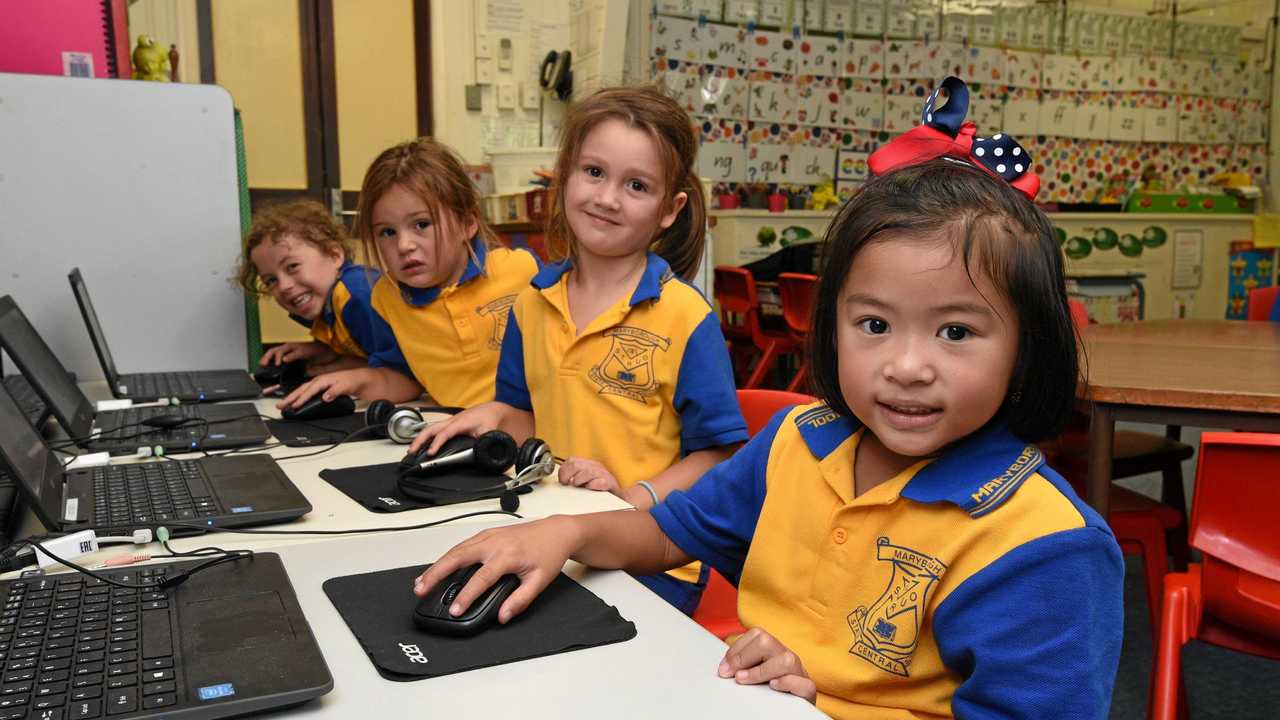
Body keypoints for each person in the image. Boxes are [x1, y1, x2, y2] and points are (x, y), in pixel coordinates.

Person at [410, 78, 1124, 718]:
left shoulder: (1044, 547)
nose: (907, 366)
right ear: (831, 325)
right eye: (874, 325)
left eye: (957, 332)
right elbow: (669, 533)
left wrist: (816, 700)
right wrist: (565, 533)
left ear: (1028, 344)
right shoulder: (800, 440)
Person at [411, 86, 748, 613]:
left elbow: (720, 455)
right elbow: (525, 414)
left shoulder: (686, 317)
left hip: (649, 554)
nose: (608, 198)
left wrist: (634, 496)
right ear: (563, 176)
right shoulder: (531, 303)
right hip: (549, 529)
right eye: (593, 172)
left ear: (669, 209)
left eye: (636, 185)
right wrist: (486, 419)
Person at [280, 137, 539, 411]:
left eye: (422, 224)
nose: (404, 245)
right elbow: (404, 379)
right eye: (387, 232)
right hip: (456, 432)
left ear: (467, 223)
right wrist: (352, 381)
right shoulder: (386, 298)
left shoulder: (522, 270)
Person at [237, 200, 414, 397]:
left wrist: (345, 370)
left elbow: (408, 376)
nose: (284, 286)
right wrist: (323, 350)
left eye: (292, 266)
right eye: (271, 280)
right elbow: (368, 349)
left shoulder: (357, 295)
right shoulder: (325, 305)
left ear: (334, 255)